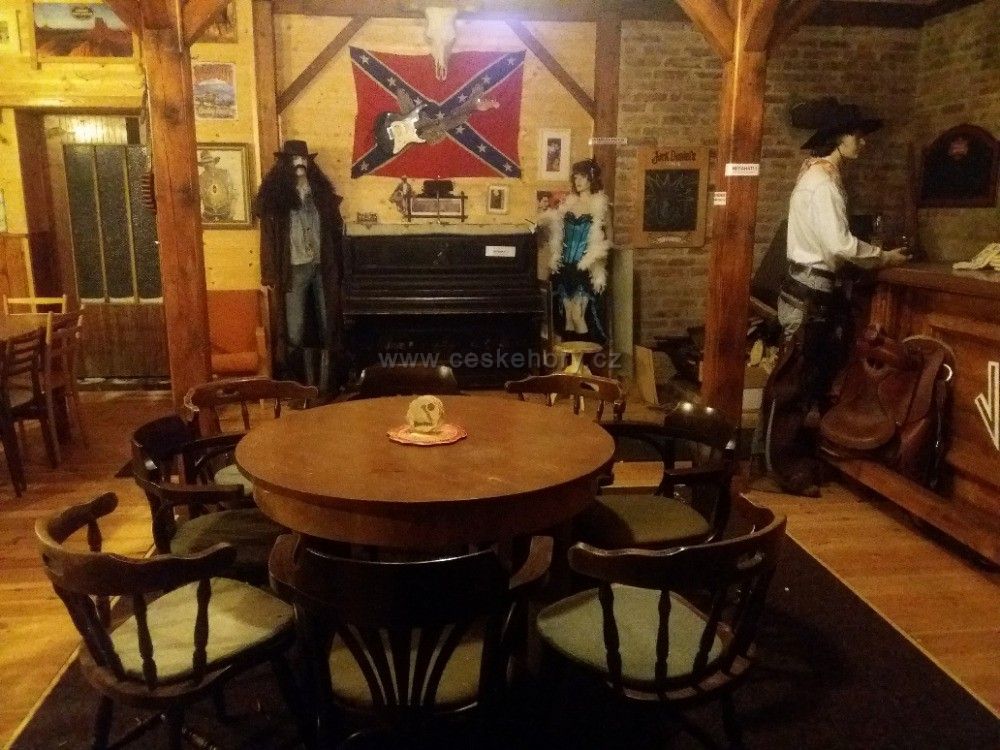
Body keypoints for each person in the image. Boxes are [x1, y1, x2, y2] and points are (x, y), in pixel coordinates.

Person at [761, 100, 910, 495]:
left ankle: (788, 459)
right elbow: (838, 245)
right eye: (856, 135)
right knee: (793, 384)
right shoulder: (823, 183)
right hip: (810, 293)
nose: (862, 141)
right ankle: (784, 467)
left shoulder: (818, 176)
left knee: (801, 381)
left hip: (809, 290)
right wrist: (882, 256)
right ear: (838, 138)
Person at [256, 140, 345, 393]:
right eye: (294, 159)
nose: (299, 163)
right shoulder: (275, 200)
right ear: (285, 164)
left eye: (303, 159)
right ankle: (299, 386)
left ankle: (328, 385)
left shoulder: (322, 196)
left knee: (328, 326)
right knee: (294, 331)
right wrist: (269, 273)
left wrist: (340, 268)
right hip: (293, 270)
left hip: (322, 268)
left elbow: (335, 232)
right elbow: (268, 240)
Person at [539, 158, 611, 344]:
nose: (577, 181)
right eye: (575, 177)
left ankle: (584, 360)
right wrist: (534, 223)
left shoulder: (600, 205)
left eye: (582, 176)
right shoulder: (569, 204)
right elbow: (554, 224)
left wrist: (595, 256)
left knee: (578, 316)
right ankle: (570, 360)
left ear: (592, 178)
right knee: (568, 320)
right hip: (564, 268)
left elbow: (607, 241)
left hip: (584, 269)